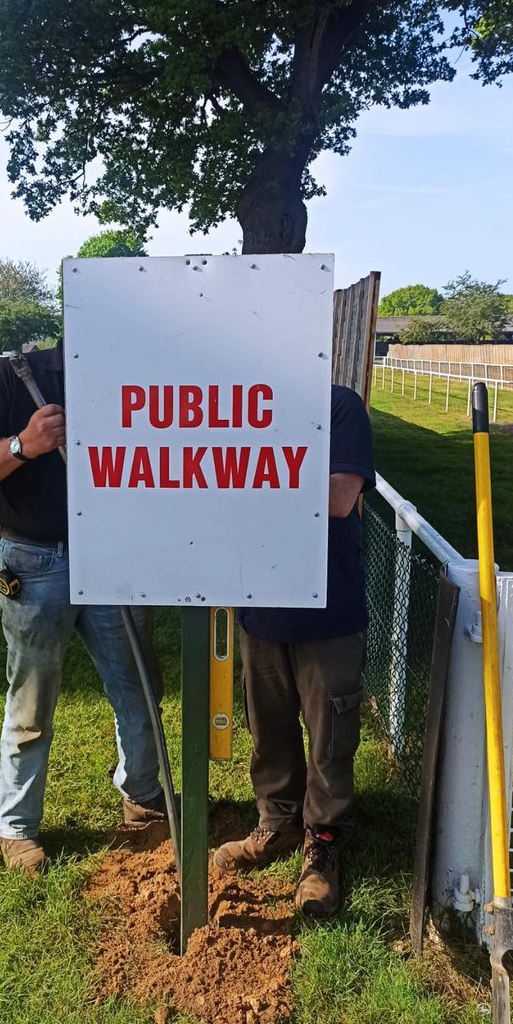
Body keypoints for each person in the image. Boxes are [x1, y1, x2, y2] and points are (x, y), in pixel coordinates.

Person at [0, 340, 165, 875]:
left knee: (137, 685)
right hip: (34, 561)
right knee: (32, 696)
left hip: (116, 557)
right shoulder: (20, 376)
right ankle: (18, 828)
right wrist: (24, 445)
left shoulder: (137, 373)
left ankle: (142, 796)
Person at [213, 384, 375, 917]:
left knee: (330, 734)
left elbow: (337, 498)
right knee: (268, 727)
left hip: (328, 610)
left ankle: (322, 844)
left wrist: (247, 478)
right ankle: (277, 826)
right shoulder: (241, 409)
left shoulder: (337, 406)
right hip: (260, 606)